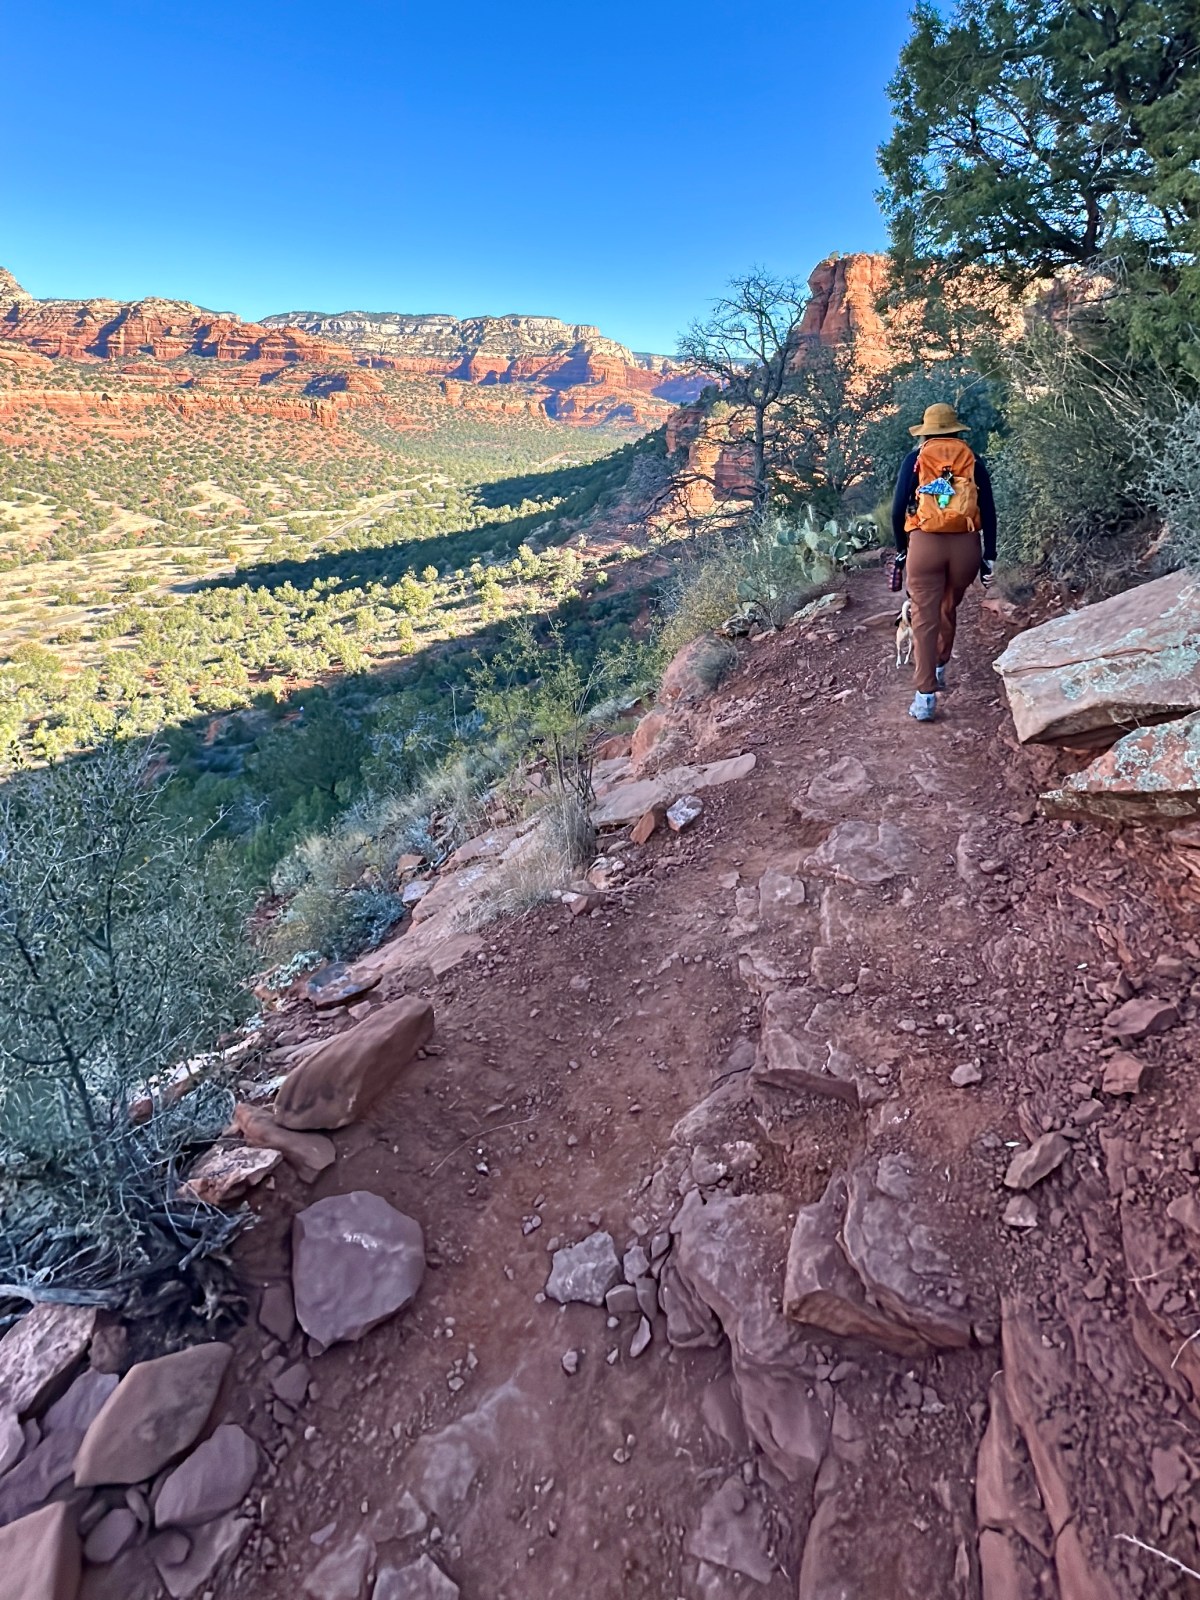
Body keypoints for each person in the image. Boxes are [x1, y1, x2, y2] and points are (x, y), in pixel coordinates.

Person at [891, 402, 997, 722]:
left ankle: (925, 699)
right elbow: (989, 512)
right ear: (955, 429)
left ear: (925, 432)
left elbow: (898, 511)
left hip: (925, 545)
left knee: (924, 617)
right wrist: (988, 557)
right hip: (966, 545)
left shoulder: (916, 459)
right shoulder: (973, 460)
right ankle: (939, 666)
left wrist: (901, 549)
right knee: (947, 606)